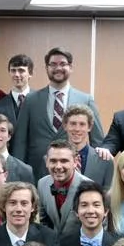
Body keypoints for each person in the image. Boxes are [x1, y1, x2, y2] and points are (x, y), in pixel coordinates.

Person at [12, 46, 104, 181]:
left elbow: (97, 140)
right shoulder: (31, 100)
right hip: (36, 172)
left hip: (73, 172)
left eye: (63, 64)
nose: (58, 68)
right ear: (47, 68)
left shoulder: (86, 100)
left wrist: (97, 169)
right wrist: (18, 174)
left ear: (71, 67)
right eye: (53, 64)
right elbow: (20, 141)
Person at [38, 140, 93, 237]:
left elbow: (95, 226)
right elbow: (43, 222)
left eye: (64, 161)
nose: (58, 166)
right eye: (53, 161)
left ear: (75, 162)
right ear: (47, 162)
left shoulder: (89, 187)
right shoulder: (42, 184)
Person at [63, 104, 113, 189]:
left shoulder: (104, 160)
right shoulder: (52, 159)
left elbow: (108, 195)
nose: (77, 129)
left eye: (82, 124)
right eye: (73, 124)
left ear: (89, 127)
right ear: (65, 126)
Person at [0, 54, 33, 123]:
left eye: (21, 70)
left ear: (30, 73)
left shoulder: (42, 102)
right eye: (13, 70)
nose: (16, 74)